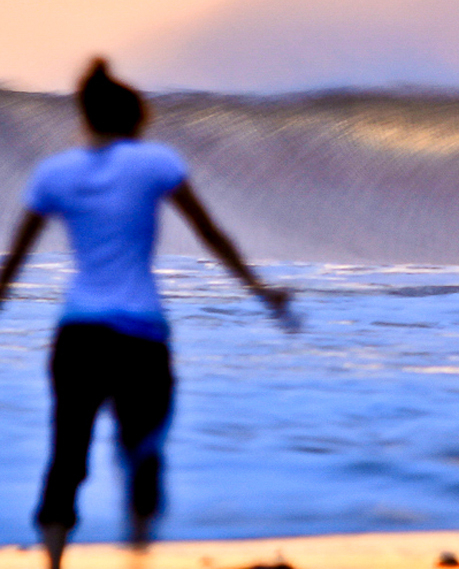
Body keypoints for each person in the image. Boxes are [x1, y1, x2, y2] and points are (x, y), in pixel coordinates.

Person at [0, 59, 290, 569]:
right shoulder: (155, 163)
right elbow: (210, 234)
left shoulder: (55, 173)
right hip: (140, 334)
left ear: (86, 116)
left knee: (68, 451)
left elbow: (16, 255)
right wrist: (261, 290)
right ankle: (137, 551)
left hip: (79, 334)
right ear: (134, 116)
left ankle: (52, 559)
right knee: (142, 450)